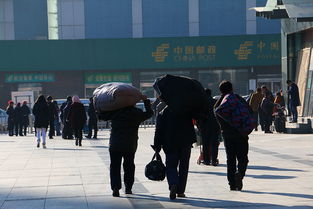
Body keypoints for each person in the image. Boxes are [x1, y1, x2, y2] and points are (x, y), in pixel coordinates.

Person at [98, 95, 153, 197]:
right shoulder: (137, 113)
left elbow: (101, 116)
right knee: (129, 166)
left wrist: (96, 103)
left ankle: (115, 188)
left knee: (114, 166)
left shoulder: (115, 112)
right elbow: (150, 113)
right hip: (130, 144)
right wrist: (146, 101)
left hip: (115, 144)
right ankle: (128, 188)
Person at [154, 99, 196, 200]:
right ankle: (180, 191)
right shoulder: (186, 111)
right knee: (184, 166)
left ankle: (173, 183)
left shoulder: (163, 113)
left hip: (170, 143)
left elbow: (158, 131)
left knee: (171, 166)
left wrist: (157, 146)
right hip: (185, 143)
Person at [214, 81, 249, 191]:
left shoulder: (220, 102)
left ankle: (232, 184)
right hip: (241, 133)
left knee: (231, 159)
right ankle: (240, 174)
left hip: (228, 135)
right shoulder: (238, 99)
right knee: (243, 158)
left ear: (220, 91)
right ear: (232, 88)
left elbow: (216, 113)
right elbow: (249, 111)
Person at [200, 88, 220, 166]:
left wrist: (199, 125)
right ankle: (214, 160)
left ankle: (207, 160)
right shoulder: (216, 102)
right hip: (215, 125)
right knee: (214, 143)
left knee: (205, 143)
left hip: (204, 126)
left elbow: (199, 115)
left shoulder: (201, 103)